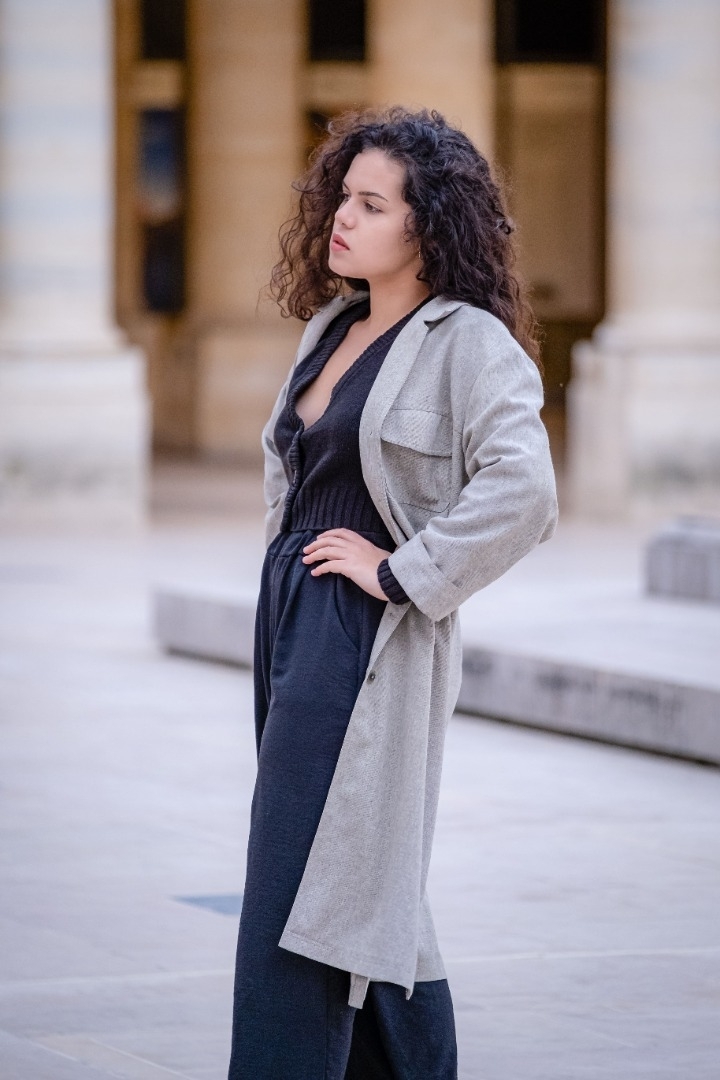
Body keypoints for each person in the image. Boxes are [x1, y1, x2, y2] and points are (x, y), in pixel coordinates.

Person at [227, 107, 557, 1080]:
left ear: (428, 225)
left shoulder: (467, 342)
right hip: (291, 617)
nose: (342, 216)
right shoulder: (332, 326)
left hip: (361, 633)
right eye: (344, 196)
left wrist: (399, 570)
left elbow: (526, 488)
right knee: (357, 875)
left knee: (299, 879)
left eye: (373, 205)